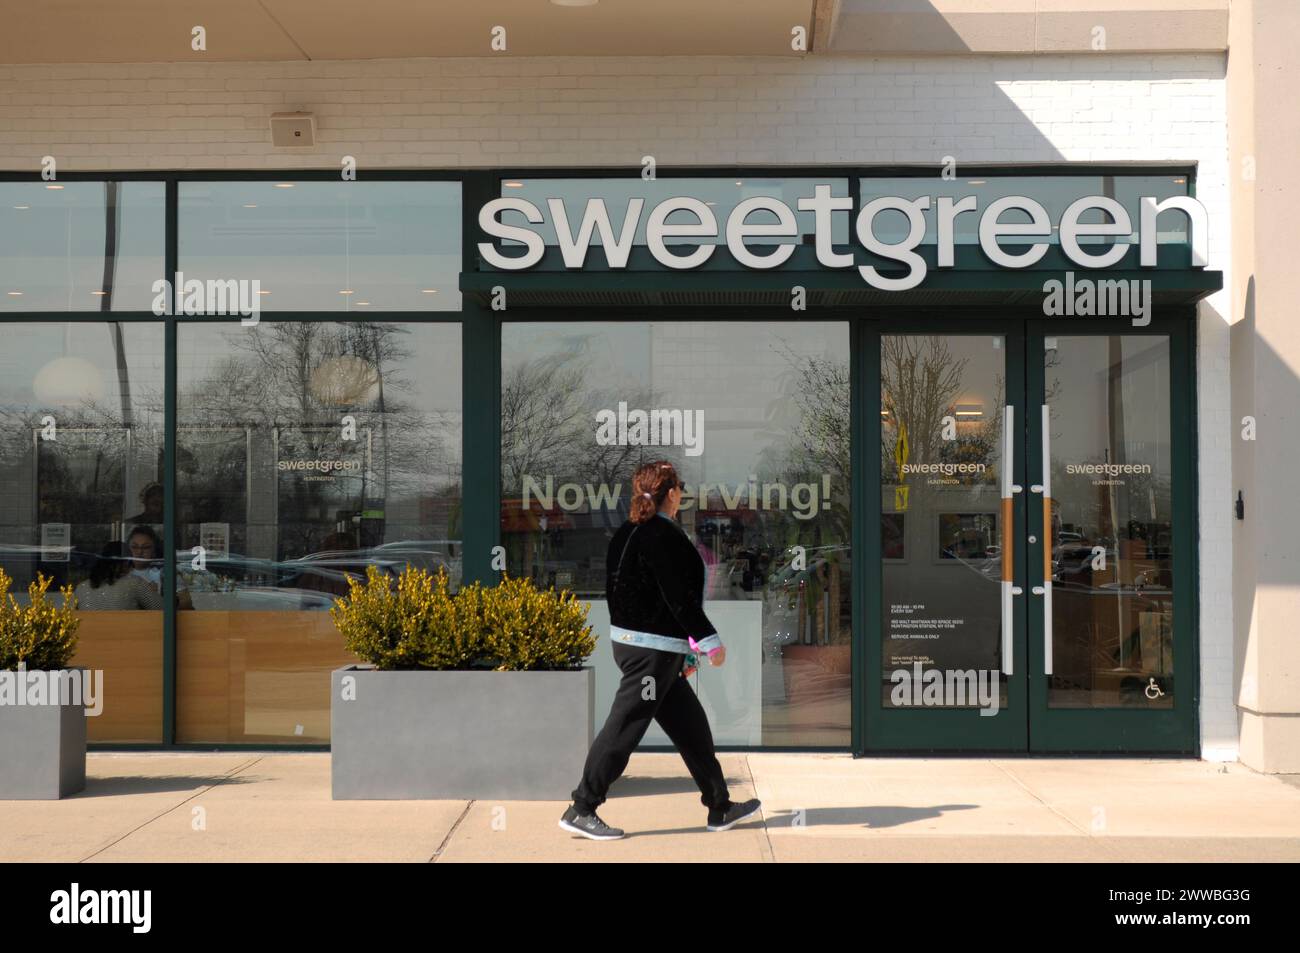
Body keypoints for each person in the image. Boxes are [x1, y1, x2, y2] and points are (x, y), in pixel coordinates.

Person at [559, 460, 762, 841]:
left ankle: (719, 805)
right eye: (680, 486)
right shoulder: (662, 537)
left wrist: (679, 652)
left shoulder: (627, 532)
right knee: (625, 727)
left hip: (647, 649)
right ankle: (582, 807)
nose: (683, 492)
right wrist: (708, 643)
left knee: (692, 727)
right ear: (671, 493)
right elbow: (678, 599)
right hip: (650, 655)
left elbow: (626, 593)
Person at [72, 541, 163, 610]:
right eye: (131, 562)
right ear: (126, 562)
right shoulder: (134, 583)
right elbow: (164, 609)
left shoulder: (81, 588)